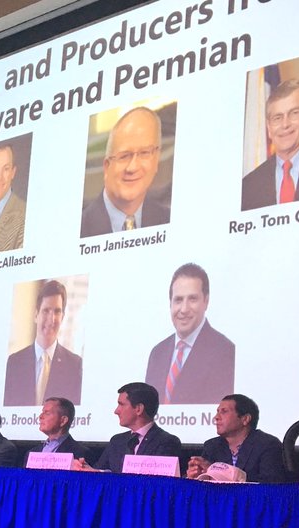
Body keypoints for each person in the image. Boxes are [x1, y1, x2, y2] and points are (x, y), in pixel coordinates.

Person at [144, 263, 235, 405]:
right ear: (170, 303)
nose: (184, 309)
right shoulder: (157, 353)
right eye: (178, 300)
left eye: (192, 299)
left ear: (206, 301)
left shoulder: (225, 351)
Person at [241, 78, 299, 210]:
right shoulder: (249, 185)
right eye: (277, 118)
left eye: (294, 113)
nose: (285, 124)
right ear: (269, 127)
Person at [81, 107, 170, 236]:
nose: (132, 168)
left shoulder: (168, 220)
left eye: (144, 153)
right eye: (124, 156)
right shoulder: (80, 229)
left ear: (156, 160)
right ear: (107, 167)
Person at [3, 280, 83, 406]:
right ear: (36, 315)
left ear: (62, 317)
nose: (51, 319)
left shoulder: (75, 366)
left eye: (57, 311)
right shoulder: (14, 363)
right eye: (46, 311)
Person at [79, 382, 185, 474]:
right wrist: (87, 469)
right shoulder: (117, 441)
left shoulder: (167, 442)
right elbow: (99, 471)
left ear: (139, 409)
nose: (116, 411)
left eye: (121, 405)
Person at [187, 394, 287, 483]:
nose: (216, 417)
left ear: (245, 419)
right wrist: (194, 477)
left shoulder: (268, 445)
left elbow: (270, 486)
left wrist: (216, 471)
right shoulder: (212, 446)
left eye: (224, 411)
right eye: (217, 412)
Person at [29, 397, 100, 466]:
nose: (40, 416)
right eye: (42, 412)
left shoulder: (81, 454)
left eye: (47, 413)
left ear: (63, 420)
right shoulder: (32, 453)